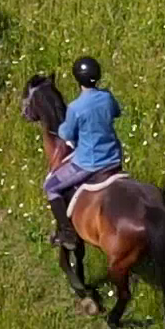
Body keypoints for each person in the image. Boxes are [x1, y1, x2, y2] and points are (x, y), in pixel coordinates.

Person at [44, 56, 124, 242]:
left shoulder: (75, 107)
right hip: (113, 157)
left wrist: (63, 128)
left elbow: (67, 134)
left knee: (50, 187)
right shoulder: (107, 97)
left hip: (88, 163)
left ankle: (66, 232)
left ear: (77, 79)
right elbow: (116, 112)